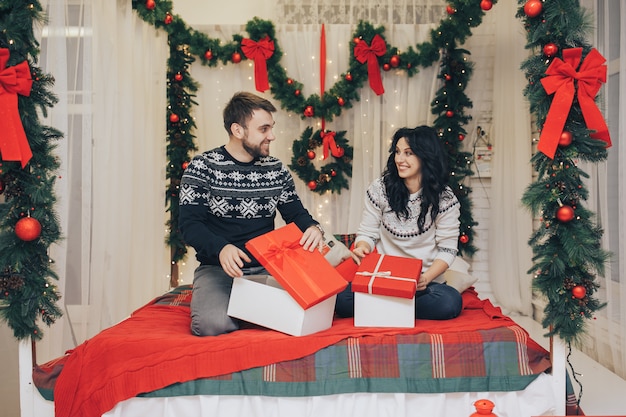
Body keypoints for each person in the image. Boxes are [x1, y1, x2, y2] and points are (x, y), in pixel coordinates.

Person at [179, 91, 324, 336]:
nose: (272, 136)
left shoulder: (276, 169)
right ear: (238, 130)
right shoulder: (202, 167)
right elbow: (190, 225)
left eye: (271, 128)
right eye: (263, 129)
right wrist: (222, 248)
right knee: (213, 325)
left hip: (268, 268)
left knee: (309, 314)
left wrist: (312, 228)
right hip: (218, 269)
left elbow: (296, 214)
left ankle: (251, 309)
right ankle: (245, 310)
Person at [335, 125, 463, 320]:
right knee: (340, 300)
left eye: (408, 153)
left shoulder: (444, 198)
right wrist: (362, 246)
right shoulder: (380, 189)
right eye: (397, 152)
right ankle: (399, 306)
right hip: (385, 280)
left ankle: (385, 307)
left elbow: (448, 249)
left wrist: (425, 278)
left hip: (424, 283)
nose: (399, 159)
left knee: (450, 303)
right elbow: (368, 233)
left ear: (425, 156)